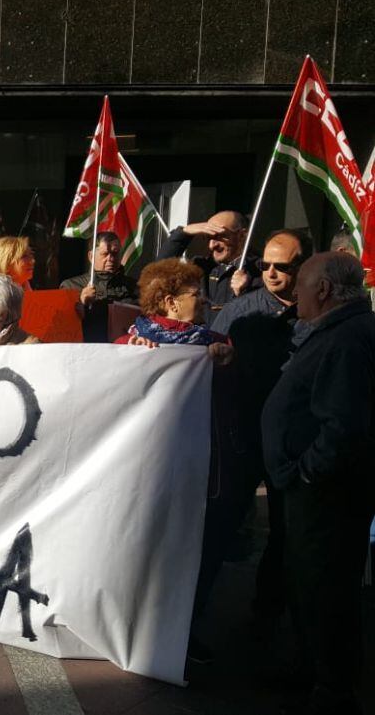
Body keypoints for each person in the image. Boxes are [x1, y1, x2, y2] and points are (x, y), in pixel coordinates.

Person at [261, 252, 375, 715]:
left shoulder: (348, 338)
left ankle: (333, 691)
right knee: (308, 585)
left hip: (327, 495)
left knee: (327, 590)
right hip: (315, 491)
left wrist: (306, 472)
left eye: (302, 283)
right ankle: (311, 670)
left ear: (324, 290)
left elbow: (344, 425)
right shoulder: (339, 331)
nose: (296, 293)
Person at [121, 258, 237, 664]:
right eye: (194, 293)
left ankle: (181, 631)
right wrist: (128, 360)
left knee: (188, 549)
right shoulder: (129, 343)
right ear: (170, 302)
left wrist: (223, 363)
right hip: (146, 469)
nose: (203, 300)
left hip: (195, 468)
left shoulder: (215, 344)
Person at [212, 229, 310, 637]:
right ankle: (193, 611)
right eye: (262, 265)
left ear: (303, 267)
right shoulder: (242, 309)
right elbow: (206, 351)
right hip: (242, 435)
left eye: (281, 266)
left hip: (292, 440)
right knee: (220, 523)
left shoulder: (316, 314)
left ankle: (266, 614)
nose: (269, 273)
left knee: (286, 532)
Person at [158, 210, 260, 326]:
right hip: (199, 340)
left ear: (242, 235)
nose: (212, 245)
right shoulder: (200, 267)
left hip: (230, 342)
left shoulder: (261, 270)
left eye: (219, 236)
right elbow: (159, 272)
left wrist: (246, 292)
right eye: (208, 237)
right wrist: (183, 233)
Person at [60, 231, 139, 342]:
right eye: (105, 254)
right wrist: (80, 302)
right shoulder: (71, 286)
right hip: (88, 352)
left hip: (124, 352)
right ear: (91, 256)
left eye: (115, 253)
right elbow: (60, 328)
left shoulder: (135, 287)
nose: (110, 259)